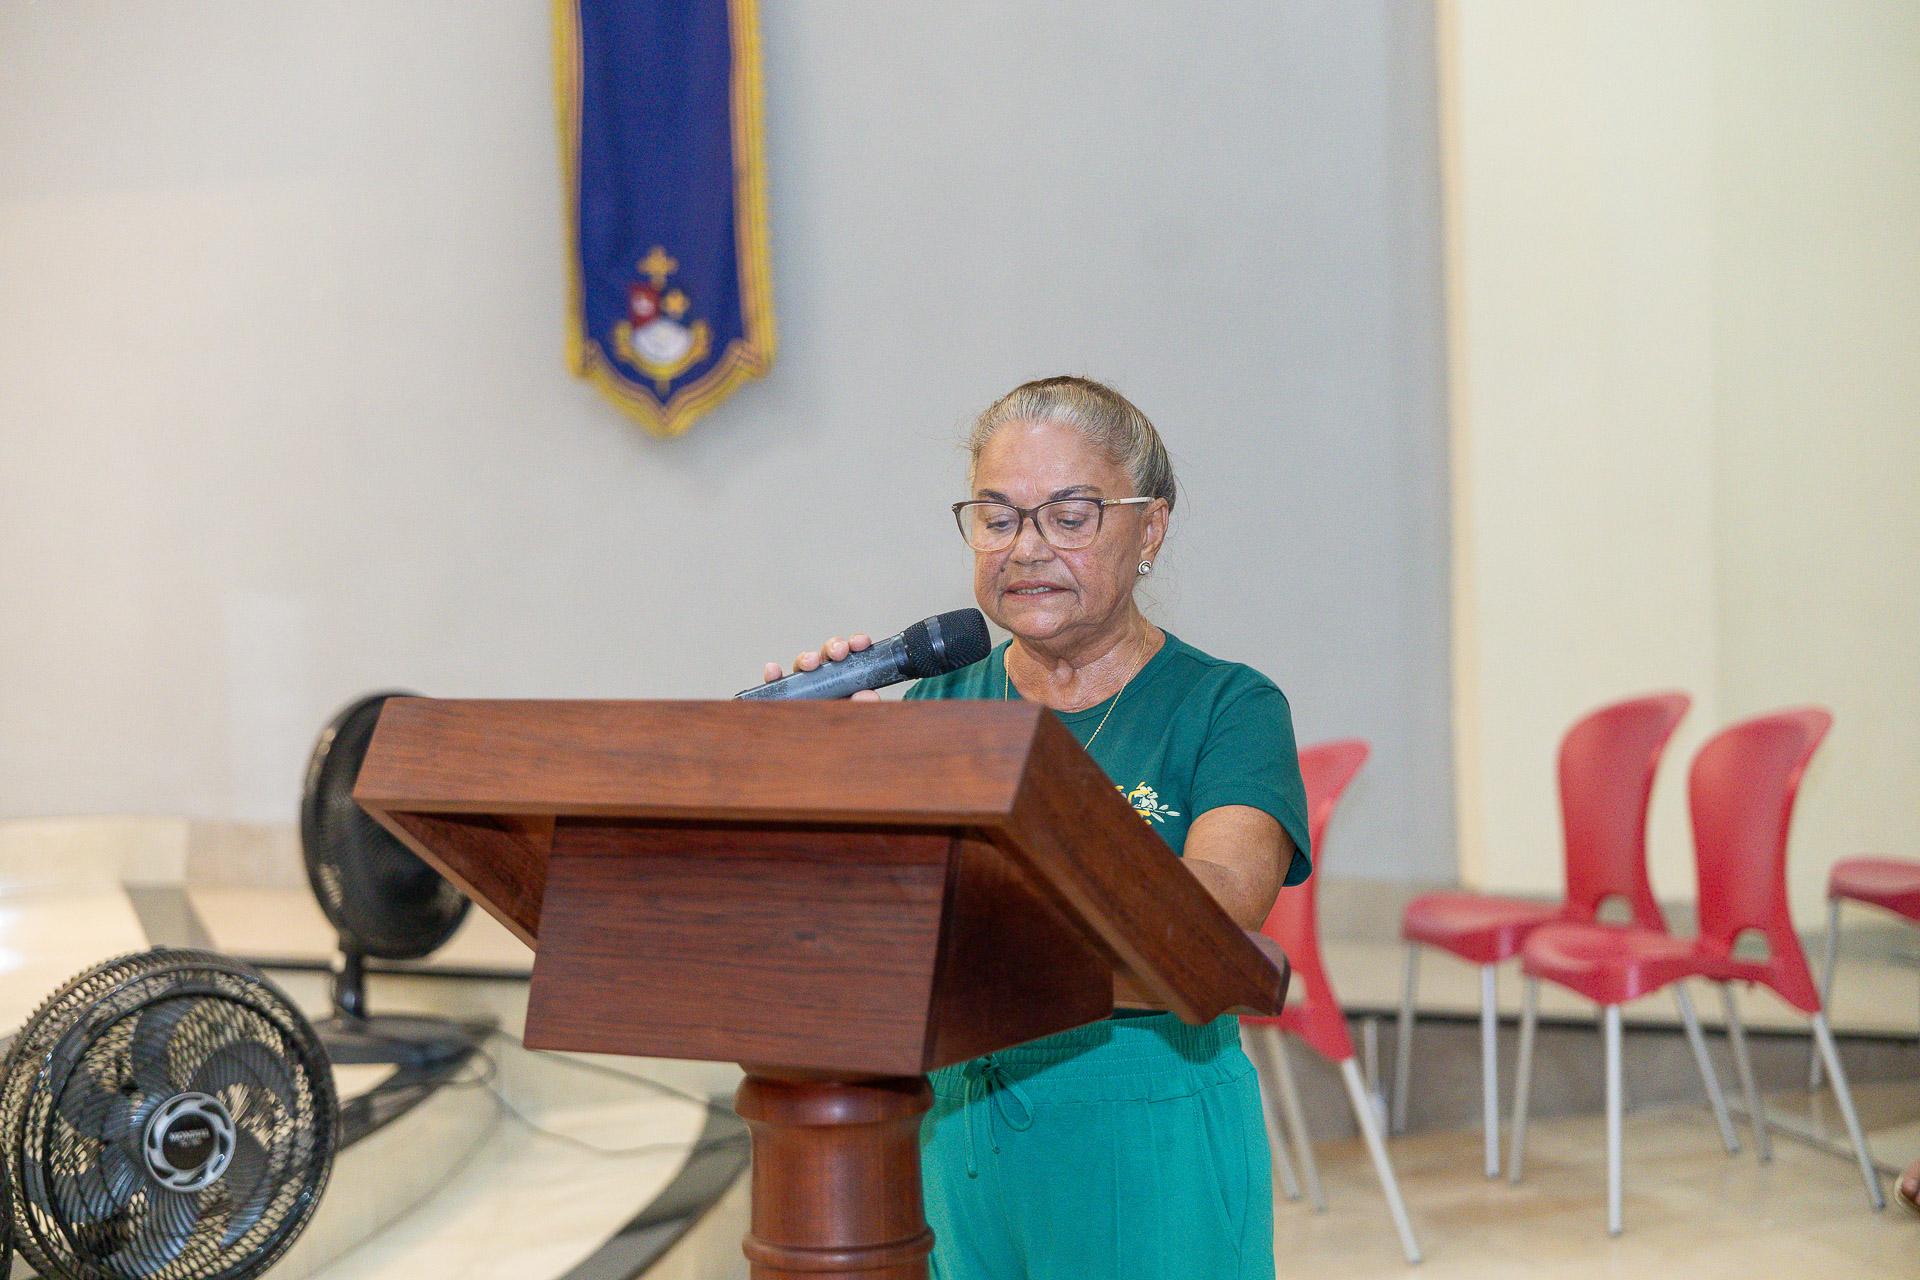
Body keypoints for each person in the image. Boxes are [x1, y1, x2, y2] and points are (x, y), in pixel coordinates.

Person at [762, 375, 1312, 1280]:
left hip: (1147, 1125)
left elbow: (1221, 907)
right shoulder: (937, 702)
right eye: (998, 517)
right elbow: (870, 916)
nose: (1026, 547)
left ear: (1150, 530)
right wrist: (833, 774)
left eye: (1069, 516)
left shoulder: (1228, 706)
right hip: (955, 1120)